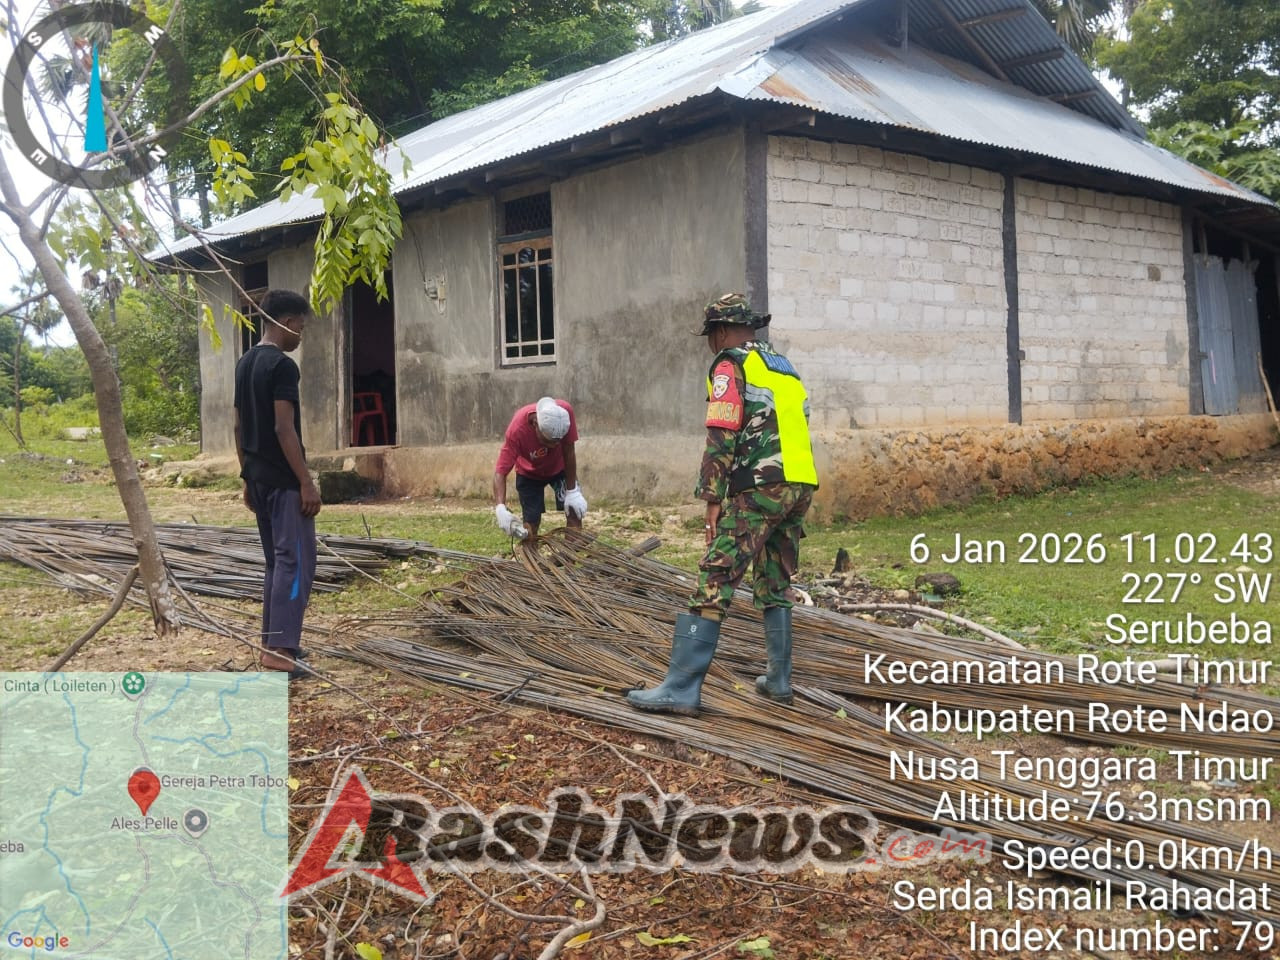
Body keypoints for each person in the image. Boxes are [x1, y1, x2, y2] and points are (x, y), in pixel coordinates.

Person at [627, 293, 818, 715]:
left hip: (760, 486)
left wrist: (712, 497)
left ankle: (681, 687)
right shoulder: (783, 365)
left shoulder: (731, 364)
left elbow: (722, 432)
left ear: (720, 331)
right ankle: (779, 682)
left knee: (717, 574)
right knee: (775, 580)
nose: (711, 345)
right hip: (800, 484)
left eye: (710, 335)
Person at [233, 289, 321, 675]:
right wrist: (306, 482)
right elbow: (284, 428)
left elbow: (238, 425)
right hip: (285, 482)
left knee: (276, 562)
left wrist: (247, 477)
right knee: (297, 561)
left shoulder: (245, 363)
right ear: (286, 324)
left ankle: (274, 642)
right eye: (300, 328)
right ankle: (280, 650)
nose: (300, 336)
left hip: (260, 479)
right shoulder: (282, 367)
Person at [493, 397, 587, 540]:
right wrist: (500, 507)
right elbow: (500, 472)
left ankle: (569, 555)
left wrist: (572, 491)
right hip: (528, 473)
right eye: (547, 441)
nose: (554, 446)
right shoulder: (517, 431)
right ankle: (531, 558)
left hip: (559, 469)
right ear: (535, 424)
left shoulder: (564, 413)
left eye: (557, 442)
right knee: (531, 523)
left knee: (575, 511)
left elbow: (569, 451)